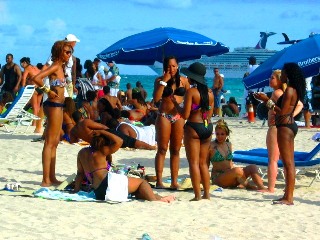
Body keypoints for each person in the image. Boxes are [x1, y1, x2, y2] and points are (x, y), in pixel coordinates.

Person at [254, 62, 306, 205]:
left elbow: (282, 113)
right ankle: (287, 195)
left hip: (285, 126)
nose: (281, 75)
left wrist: (266, 101)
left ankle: (289, 197)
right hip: (288, 125)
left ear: (288, 74)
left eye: (282, 73)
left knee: (288, 164)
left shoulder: (289, 90)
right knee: (288, 163)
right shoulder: (293, 89)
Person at [74, 132, 174, 202]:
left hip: (98, 191)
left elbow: (79, 174)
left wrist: (76, 192)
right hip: (107, 183)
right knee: (142, 182)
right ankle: (156, 200)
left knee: (137, 190)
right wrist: (102, 131)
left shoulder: (82, 153)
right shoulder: (102, 151)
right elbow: (119, 141)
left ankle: (159, 197)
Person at [31, 40, 74, 186]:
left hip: (59, 105)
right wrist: (47, 91)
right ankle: (45, 179)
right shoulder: (55, 66)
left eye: (71, 52)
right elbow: (36, 78)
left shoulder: (61, 67)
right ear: (59, 52)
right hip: (53, 105)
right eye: (67, 52)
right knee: (50, 142)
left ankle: (52, 177)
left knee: (55, 142)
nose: (70, 55)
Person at [171, 62, 214, 200]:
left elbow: (185, 115)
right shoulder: (210, 93)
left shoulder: (191, 92)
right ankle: (207, 193)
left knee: (194, 163)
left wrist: (176, 103)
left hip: (194, 128)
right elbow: (210, 114)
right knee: (203, 163)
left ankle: (197, 195)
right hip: (207, 127)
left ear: (191, 77)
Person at [153, 56, 190, 189]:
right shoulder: (159, 80)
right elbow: (156, 99)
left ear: (178, 66)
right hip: (164, 115)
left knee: (176, 149)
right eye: (168, 66)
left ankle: (174, 181)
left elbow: (189, 99)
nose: (171, 69)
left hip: (178, 116)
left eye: (173, 66)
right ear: (164, 67)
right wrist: (164, 82)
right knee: (162, 149)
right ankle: (159, 181)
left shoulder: (184, 81)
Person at [207, 120, 266, 190]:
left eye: (222, 134)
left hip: (231, 175)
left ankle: (261, 187)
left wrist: (236, 172)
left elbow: (230, 163)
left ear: (227, 134)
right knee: (237, 170)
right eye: (217, 134)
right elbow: (205, 164)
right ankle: (248, 186)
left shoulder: (229, 145)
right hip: (218, 178)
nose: (219, 136)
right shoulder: (211, 146)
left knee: (252, 167)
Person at [70, 111, 156, 150]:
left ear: (74, 120)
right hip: (103, 136)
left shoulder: (73, 131)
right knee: (129, 141)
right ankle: (150, 147)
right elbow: (101, 126)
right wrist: (111, 131)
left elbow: (74, 141)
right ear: (81, 117)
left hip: (96, 143)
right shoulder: (85, 122)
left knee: (127, 142)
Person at [20, 57, 43, 133]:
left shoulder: (27, 69)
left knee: (34, 107)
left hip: (34, 88)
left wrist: (22, 88)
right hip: (41, 87)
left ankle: (34, 124)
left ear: (24, 63)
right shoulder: (35, 67)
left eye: (21, 63)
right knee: (38, 107)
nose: (21, 65)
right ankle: (38, 123)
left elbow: (23, 78)